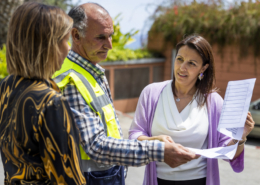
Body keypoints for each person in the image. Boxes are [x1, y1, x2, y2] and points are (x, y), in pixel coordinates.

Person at [53, 3, 198, 184]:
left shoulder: (92, 70)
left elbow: (107, 133)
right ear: (76, 35)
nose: (110, 45)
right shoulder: (70, 79)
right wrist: (157, 151)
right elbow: (95, 145)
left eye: (110, 36)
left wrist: (150, 141)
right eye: (101, 37)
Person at [128, 35, 255, 185]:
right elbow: (135, 135)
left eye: (192, 63)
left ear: (204, 68)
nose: (182, 67)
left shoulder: (213, 101)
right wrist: (155, 140)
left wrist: (240, 137)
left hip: (199, 181)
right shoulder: (151, 93)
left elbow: (228, 154)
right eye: (180, 59)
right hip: (157, 180)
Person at [0, 2, 86, 185]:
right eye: (65, 40)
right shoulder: (52, 102)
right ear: (48, 45)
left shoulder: (6, 86)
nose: (69, 48)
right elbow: (68, 180)